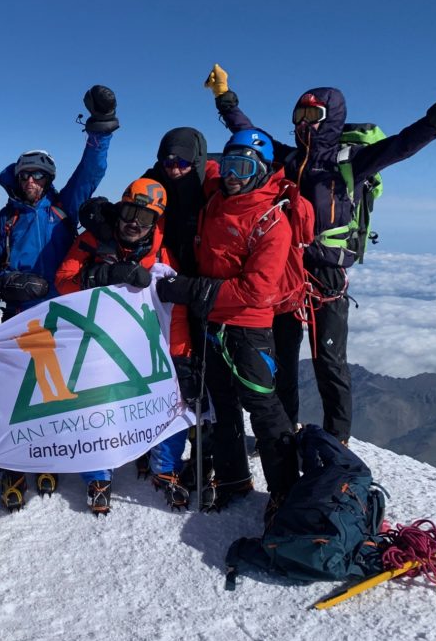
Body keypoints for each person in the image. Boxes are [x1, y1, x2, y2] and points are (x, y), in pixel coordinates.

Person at [205, 63, 436, 444]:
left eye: (313, 116)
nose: (304, 123)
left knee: (328, 361)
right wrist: (225, 98)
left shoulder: (350, 162)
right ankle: (284, 431)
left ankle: (338, 441)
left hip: (327, 277)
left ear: (332, 118)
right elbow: (250, 134)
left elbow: (404, 143)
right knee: (283, 359)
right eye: (299, 115)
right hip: (286, 272)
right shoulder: (288, 159)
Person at [156, 129, 302, 517]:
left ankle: (286, 493)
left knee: (263, 406)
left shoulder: (272, 220)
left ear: (261, 170)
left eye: (244, 167)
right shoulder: (217, 197)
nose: (233, 175)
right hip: (210, 322)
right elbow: (180, 173)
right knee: (220, 405)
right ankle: (234, 479)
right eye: (229, 164)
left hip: (248, 327)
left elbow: (257, 290)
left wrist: (193, 290)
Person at [0, 84, 118, 510]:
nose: (33, 181)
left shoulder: (63, 208)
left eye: (41, 175)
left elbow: (91, 171)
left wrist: (101, 127)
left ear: (48, 180)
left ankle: (70, 463)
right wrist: (9, 281)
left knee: (65, 393)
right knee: (22, 393)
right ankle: (16, 463)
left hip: (65, 314)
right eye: (28, 174)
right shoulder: (2, 222)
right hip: (20, 317)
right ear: (17, 176)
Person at [56, 179, 193, 514]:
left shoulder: (162, 256)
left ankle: (166, 466)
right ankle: (98, 473)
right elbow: (63, 282)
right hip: (98, 341)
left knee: (168, 395)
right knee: (96, 404)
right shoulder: (91, 241)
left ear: (155, 222)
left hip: (142, 344)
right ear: (120, 209)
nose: (135, 222)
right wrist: (103, 276)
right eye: (131, 211)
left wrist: (180, 357)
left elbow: (174, 313)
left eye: (145, 218)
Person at [140, 127, 216, 491]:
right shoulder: (152, 181)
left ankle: (204, 456)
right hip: (164, 287)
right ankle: (149, 445)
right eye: (168, 160)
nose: (174, 168)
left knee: (202, 375)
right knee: (159, 370)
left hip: (204, 287)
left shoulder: (211, 184)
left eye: (183, 161)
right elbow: (130, 209)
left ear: (197, 159)